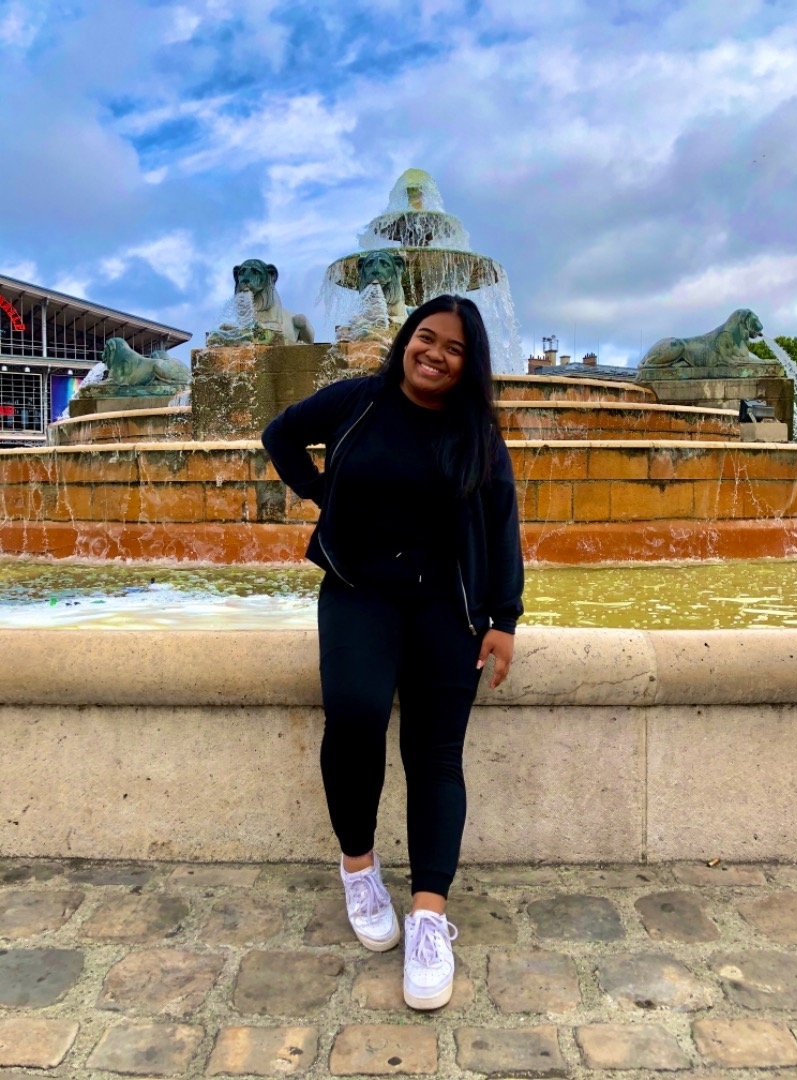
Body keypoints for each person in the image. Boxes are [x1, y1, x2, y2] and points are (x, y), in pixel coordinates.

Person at [262, 294, 523, 1010]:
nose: (435, 354)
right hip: (360, 591)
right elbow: (280, 434)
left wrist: (505, 617)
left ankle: (430, 919)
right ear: (407, 338)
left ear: (469, 364)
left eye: (454, 348)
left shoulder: (476, 430)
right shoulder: (358, 401)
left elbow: (501, 520)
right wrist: (320, 493)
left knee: (436, 755)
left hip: (448, 606)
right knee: (355, 715)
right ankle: (359, 867)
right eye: (426, 337)